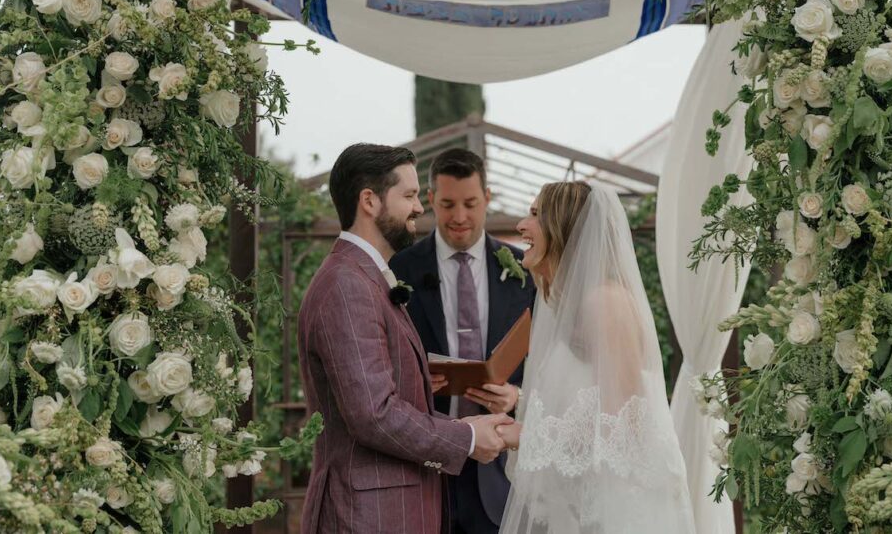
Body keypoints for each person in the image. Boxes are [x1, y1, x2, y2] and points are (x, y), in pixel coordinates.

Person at [297, 143, 513, 533]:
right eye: (410, 195)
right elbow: (373, 415)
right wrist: (464, 437)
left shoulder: (365, 276)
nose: (418, 208)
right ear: (369, 201)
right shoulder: (347, 284)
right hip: (370, 517)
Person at [498, 181, 696, 533]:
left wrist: (527, 436)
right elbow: (585, 401)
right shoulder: (568, 307)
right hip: (577, 510)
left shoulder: (605, 303)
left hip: (613, 513)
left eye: (533, 215)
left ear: (563, 228)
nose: (520, 226)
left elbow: (625, 429)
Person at [391, 148, 536, 534]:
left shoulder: (526, 270)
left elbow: (550, 363)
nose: (459, 217)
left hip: (501, 469)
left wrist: (516, 396)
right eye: (448, 204)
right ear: (430, 201)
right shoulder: (398, 269)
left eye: (470, 203)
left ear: (488, 197)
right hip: (425, 466)